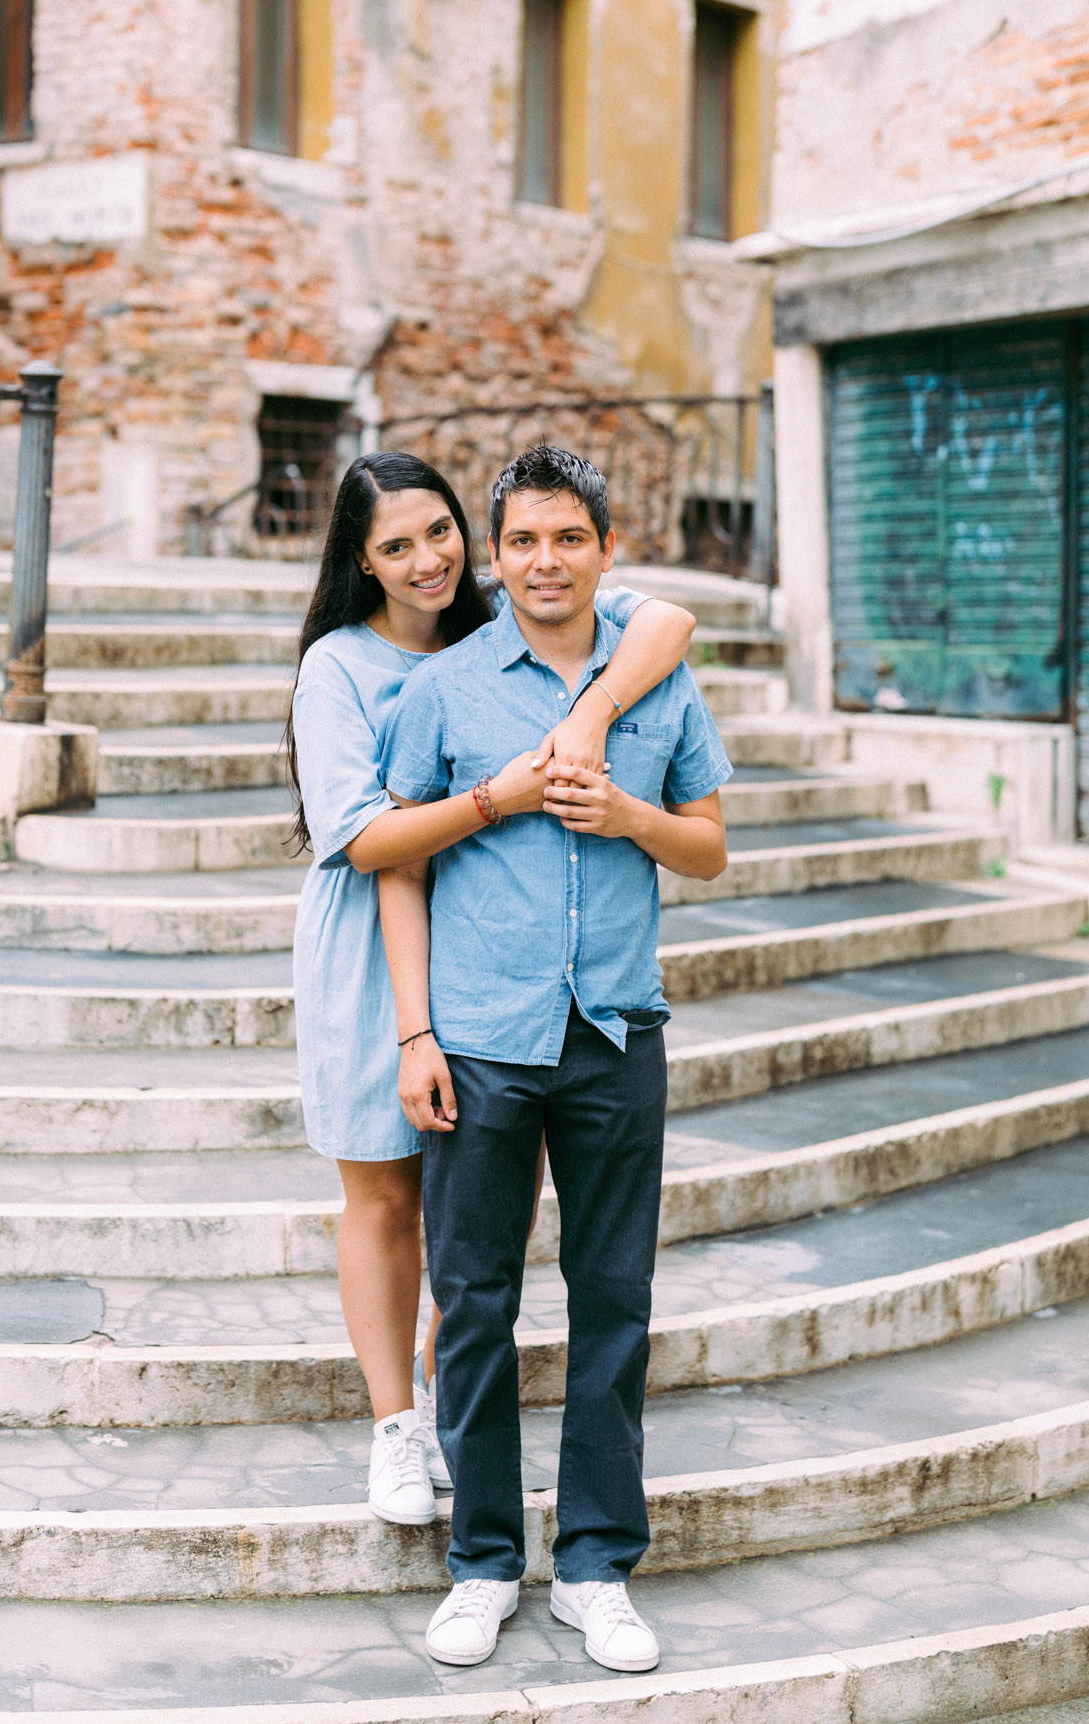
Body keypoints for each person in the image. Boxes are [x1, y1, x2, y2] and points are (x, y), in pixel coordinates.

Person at [286, 451, 698, 1528]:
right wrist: (498, 796)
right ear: (360, 563)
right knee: (385, 1195)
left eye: (439, 532)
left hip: (499, 951)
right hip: (373, 930)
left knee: (472, 1231)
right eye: (394, 546)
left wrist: (595, 714)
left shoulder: (509, 617)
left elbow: (667, 623)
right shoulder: (341, 668)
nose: (426, 559)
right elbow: (364, 839)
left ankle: (442, 1416)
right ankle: (393, 1427)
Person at [378, 444, 730, 1674]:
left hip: (618, 1033)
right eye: (521, 540)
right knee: (472, 1303)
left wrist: (630, 816)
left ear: (604, 548)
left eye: (566, 538)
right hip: (478, 1040)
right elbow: (392, 863)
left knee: (615, 1301)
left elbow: (708, 851)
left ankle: (593, 1565)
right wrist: (415, 1033)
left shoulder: (661, 683)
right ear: (494, 554)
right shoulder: (448, 690)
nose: (543, 562)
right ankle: (481, 1564)